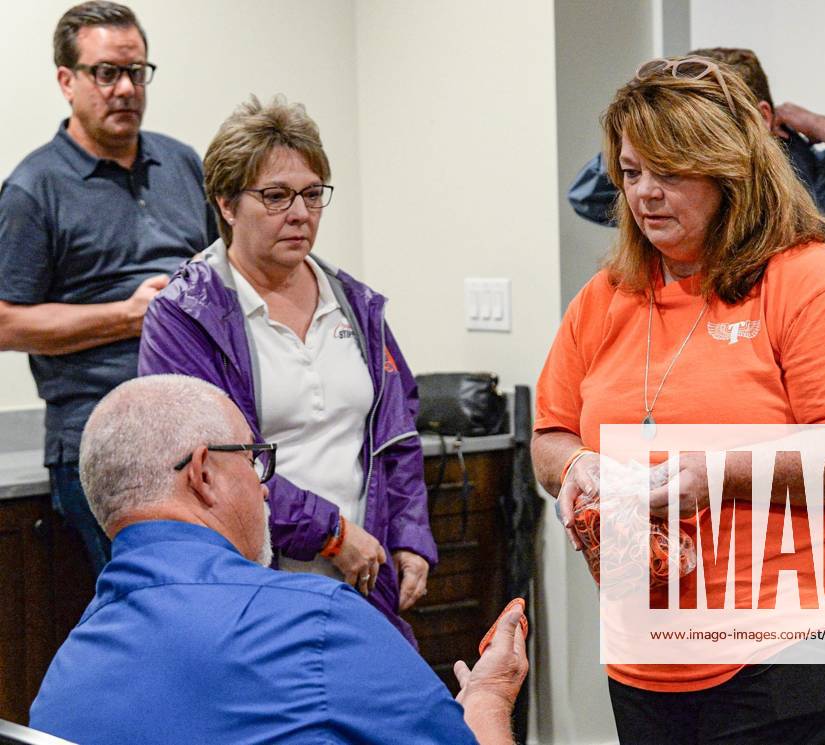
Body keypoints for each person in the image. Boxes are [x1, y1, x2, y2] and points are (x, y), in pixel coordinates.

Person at [533, 56, 825, 744]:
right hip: (649, 650)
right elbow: (552, 432)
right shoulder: (606, 297)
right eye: (631, 173)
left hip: (797, 645)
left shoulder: (812, 283)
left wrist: (715, 474)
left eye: (671, 172)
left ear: (730, 173)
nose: (645, 194)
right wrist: (576, 468)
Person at [29, 374, 527, 745]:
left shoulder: (63, 677)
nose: (265, 490)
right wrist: (490, 695)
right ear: (203, 475)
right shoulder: (317, 622)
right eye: (253, 460)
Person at [137, 95, 434, 645]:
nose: (300, 213)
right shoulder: (185, 315)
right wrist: (332, 533)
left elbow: (397, 433)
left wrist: (411, 536)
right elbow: (213, 465)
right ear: (226, 204)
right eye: (275, 196)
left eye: (312, 195)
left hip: (363, 578)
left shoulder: (354, 304)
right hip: (251, 588)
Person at [0, 1, 217, 576]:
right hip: (102, 437)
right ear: (66, 81)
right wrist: (127, 316)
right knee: (164, 602)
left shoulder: (182, 163)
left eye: (137, 72)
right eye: (106, 73)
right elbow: (4, 322)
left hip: (201, 428)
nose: (125, 88)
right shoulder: (33, 188)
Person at [568, 47, 825, 261]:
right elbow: (587, 195)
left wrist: (816, 123)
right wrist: (656, 138)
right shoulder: (663, 188)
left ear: (763, 117)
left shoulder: (820, 178)